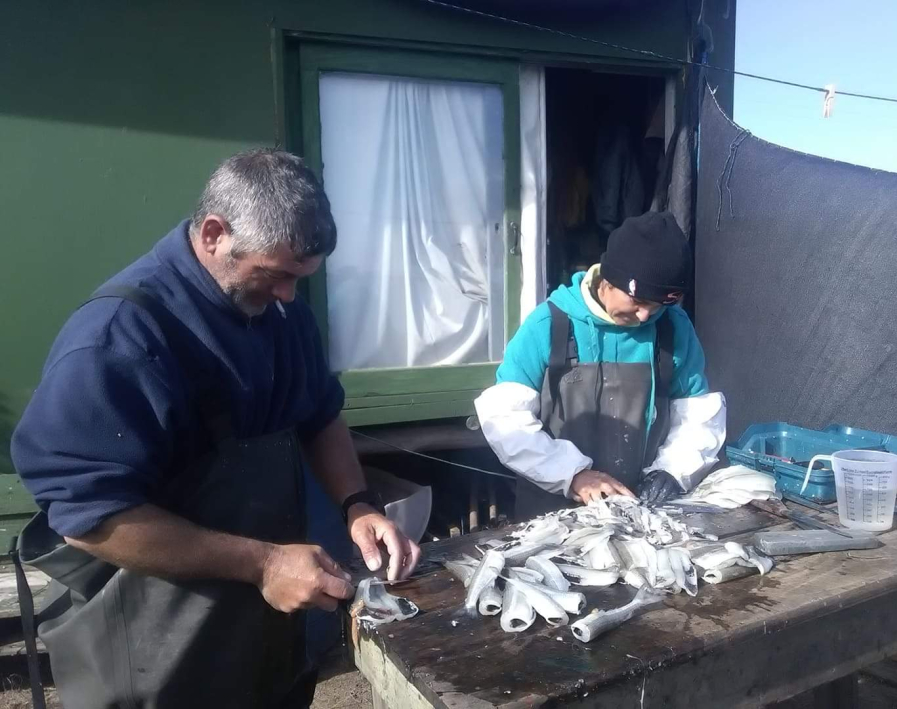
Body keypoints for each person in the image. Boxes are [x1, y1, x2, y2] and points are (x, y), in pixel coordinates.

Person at [11, 149, 420, 708]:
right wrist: (264, 563)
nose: (288, 297)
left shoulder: (281, 310)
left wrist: (358, 503)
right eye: (275, 276)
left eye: (301, 280)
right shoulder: (119, 338)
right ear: (212, 234)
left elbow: (319, 412)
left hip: (265, 637)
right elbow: (88, 517)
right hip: (156, 650)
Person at [475, 212, 726, 519]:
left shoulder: (673, 329)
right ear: (609, 279)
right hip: (551, 518)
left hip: (638, 513)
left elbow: (698, 416)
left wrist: (673, 471)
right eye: (639, 301)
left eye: (657, 305)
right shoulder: (548, 325)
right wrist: (573, 475)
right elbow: (505, 421)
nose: (646, 316)